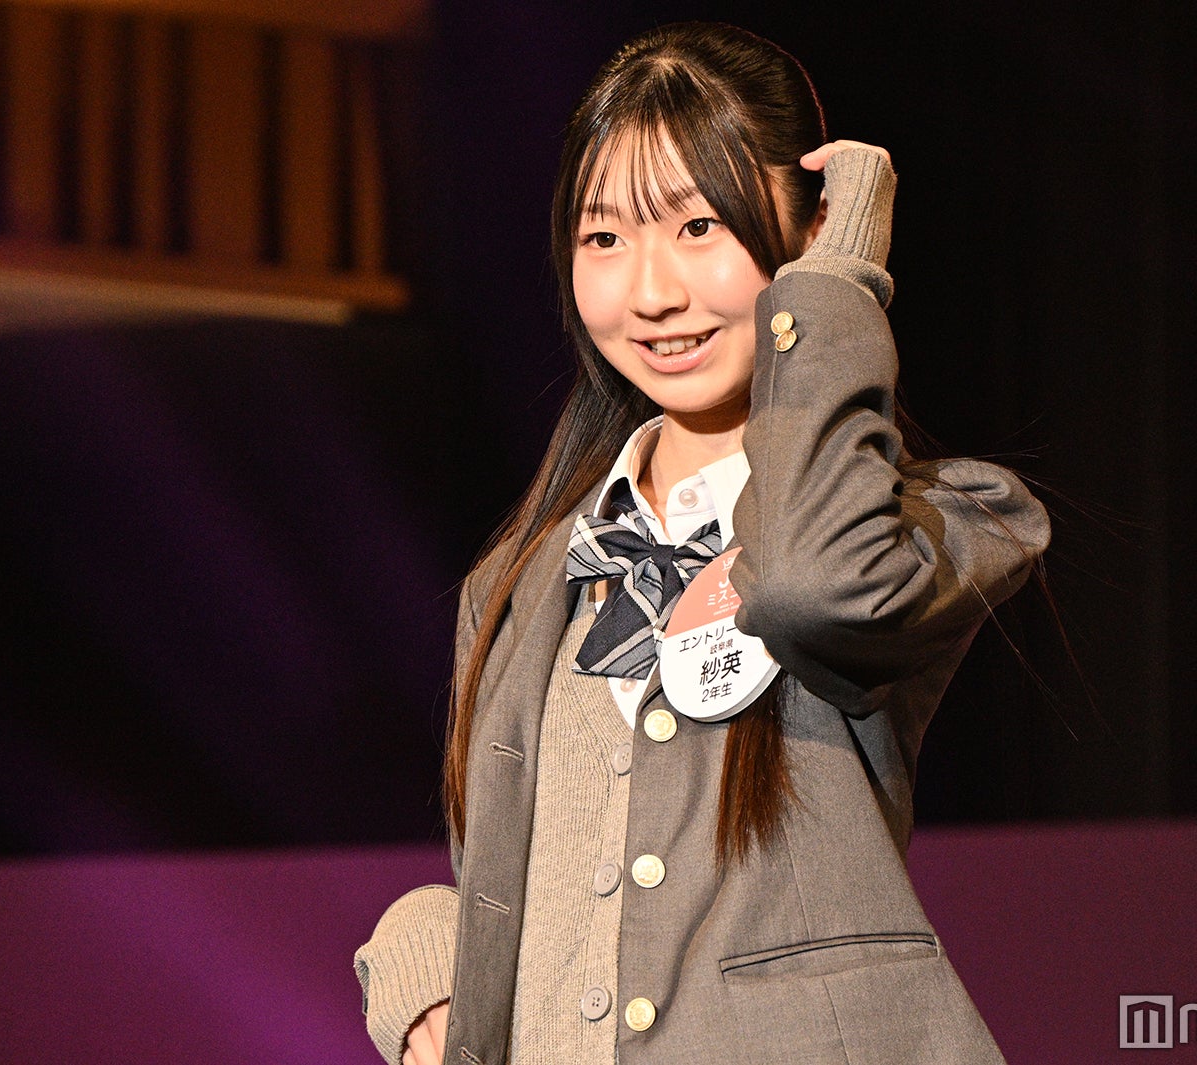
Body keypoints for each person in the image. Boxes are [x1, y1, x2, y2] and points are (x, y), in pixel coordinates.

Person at [354, 21, 1048, 1065]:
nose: (651, 293)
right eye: (603, 238)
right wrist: (428, 955)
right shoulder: (523, 583)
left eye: (697, 226)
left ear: (809, 230)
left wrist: (836, 281)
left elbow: (814, 589)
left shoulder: (926, 525)